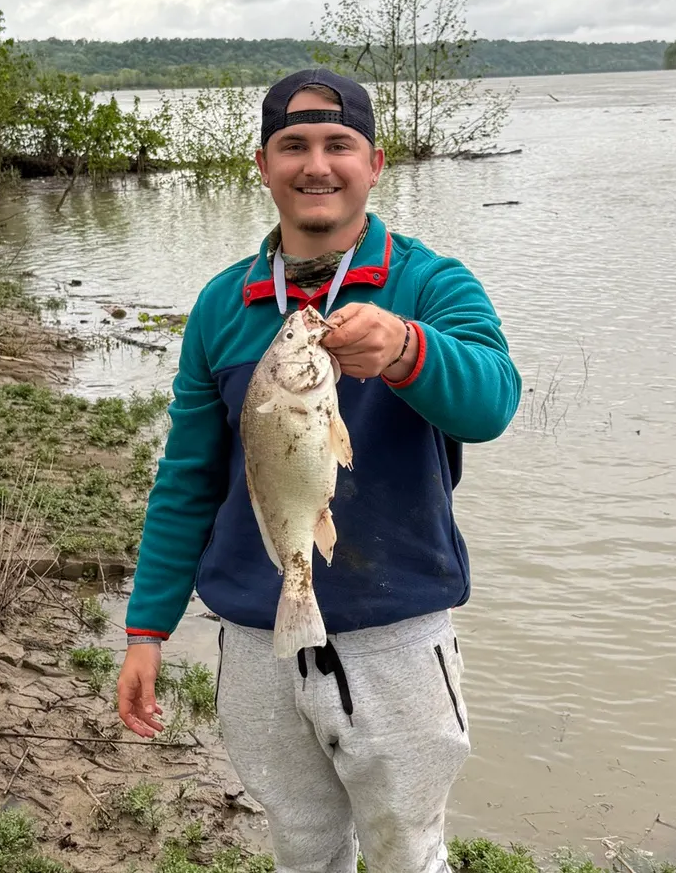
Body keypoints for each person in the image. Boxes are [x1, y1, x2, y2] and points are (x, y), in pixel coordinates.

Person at [116, 68, 520, 873]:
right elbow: (189, 477)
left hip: (398, 634)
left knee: (407, 848)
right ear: (262, 166)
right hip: (256, 634)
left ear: (376, 162)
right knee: (301, 844)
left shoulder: (431, 284)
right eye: (293, 146)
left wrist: (409, 350)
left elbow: (494, 401)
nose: (317, 165)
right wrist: (146, 628)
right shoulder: (223, 306)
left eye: (339, 145)